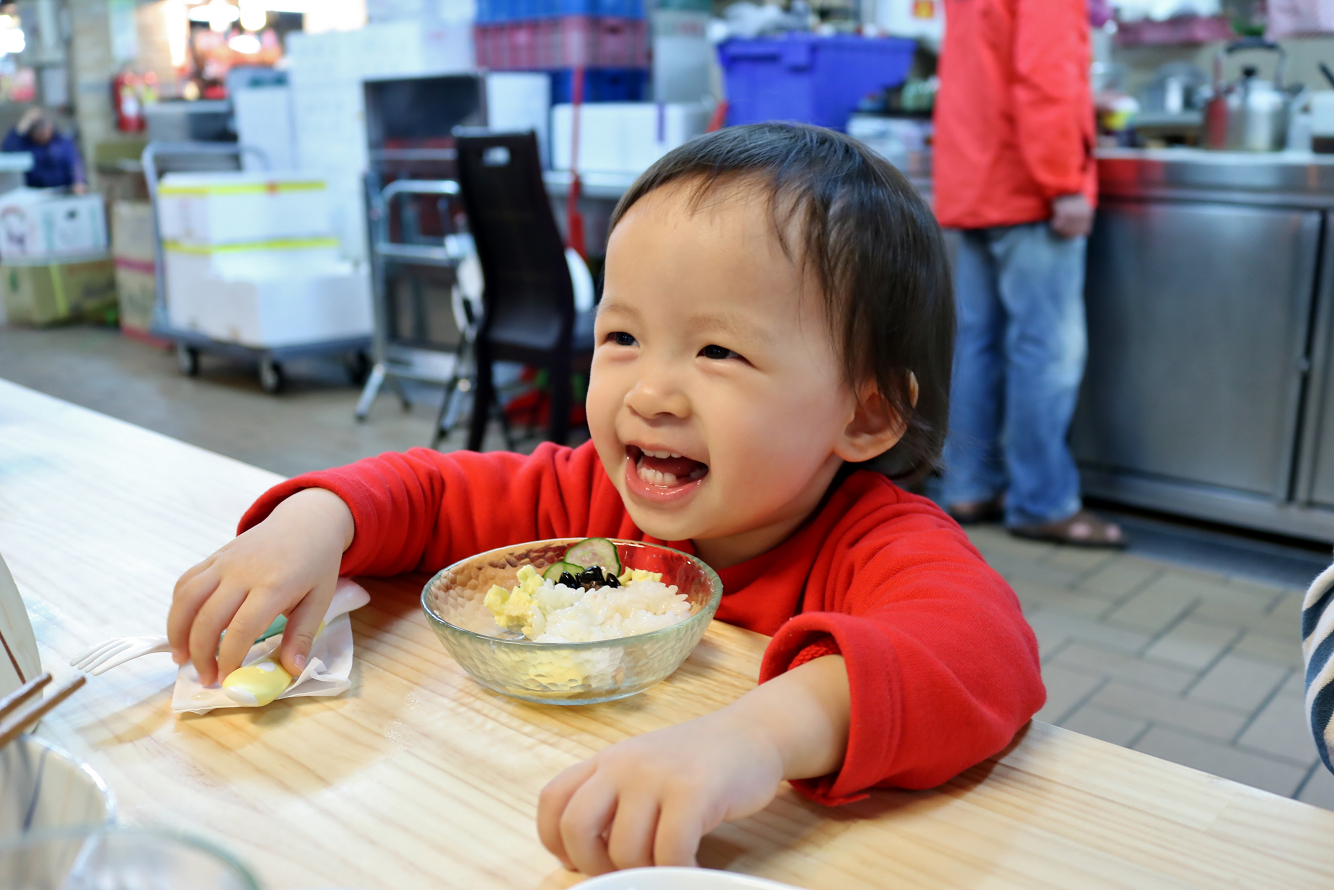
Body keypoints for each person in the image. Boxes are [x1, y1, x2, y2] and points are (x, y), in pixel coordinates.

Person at [167, 124, 1045, 875]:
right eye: (622, 335)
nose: (651, 392)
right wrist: (316, 522)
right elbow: (432, 494)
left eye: (718, 353)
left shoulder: (875, 543)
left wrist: (754, 739)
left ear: (866, 414)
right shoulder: (588, 499)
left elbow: (982, 657)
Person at [933, 0, 1124, 546]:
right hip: (1029, 188)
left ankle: (969, 485)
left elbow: (987, 74)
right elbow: (1046, 80)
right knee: (1046, 352)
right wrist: (1064, 181)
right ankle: (1042, 502)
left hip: (975, 180)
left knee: (977, 346)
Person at [2, 108, 87, 192]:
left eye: (45, 131)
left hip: (63, 191)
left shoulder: (63, 142)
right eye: (39, 133)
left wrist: (79, 181)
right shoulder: (26, 144)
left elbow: (75, 163)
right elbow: (7, 151)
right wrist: (23, 124)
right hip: (35, 193)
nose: (43, 136)